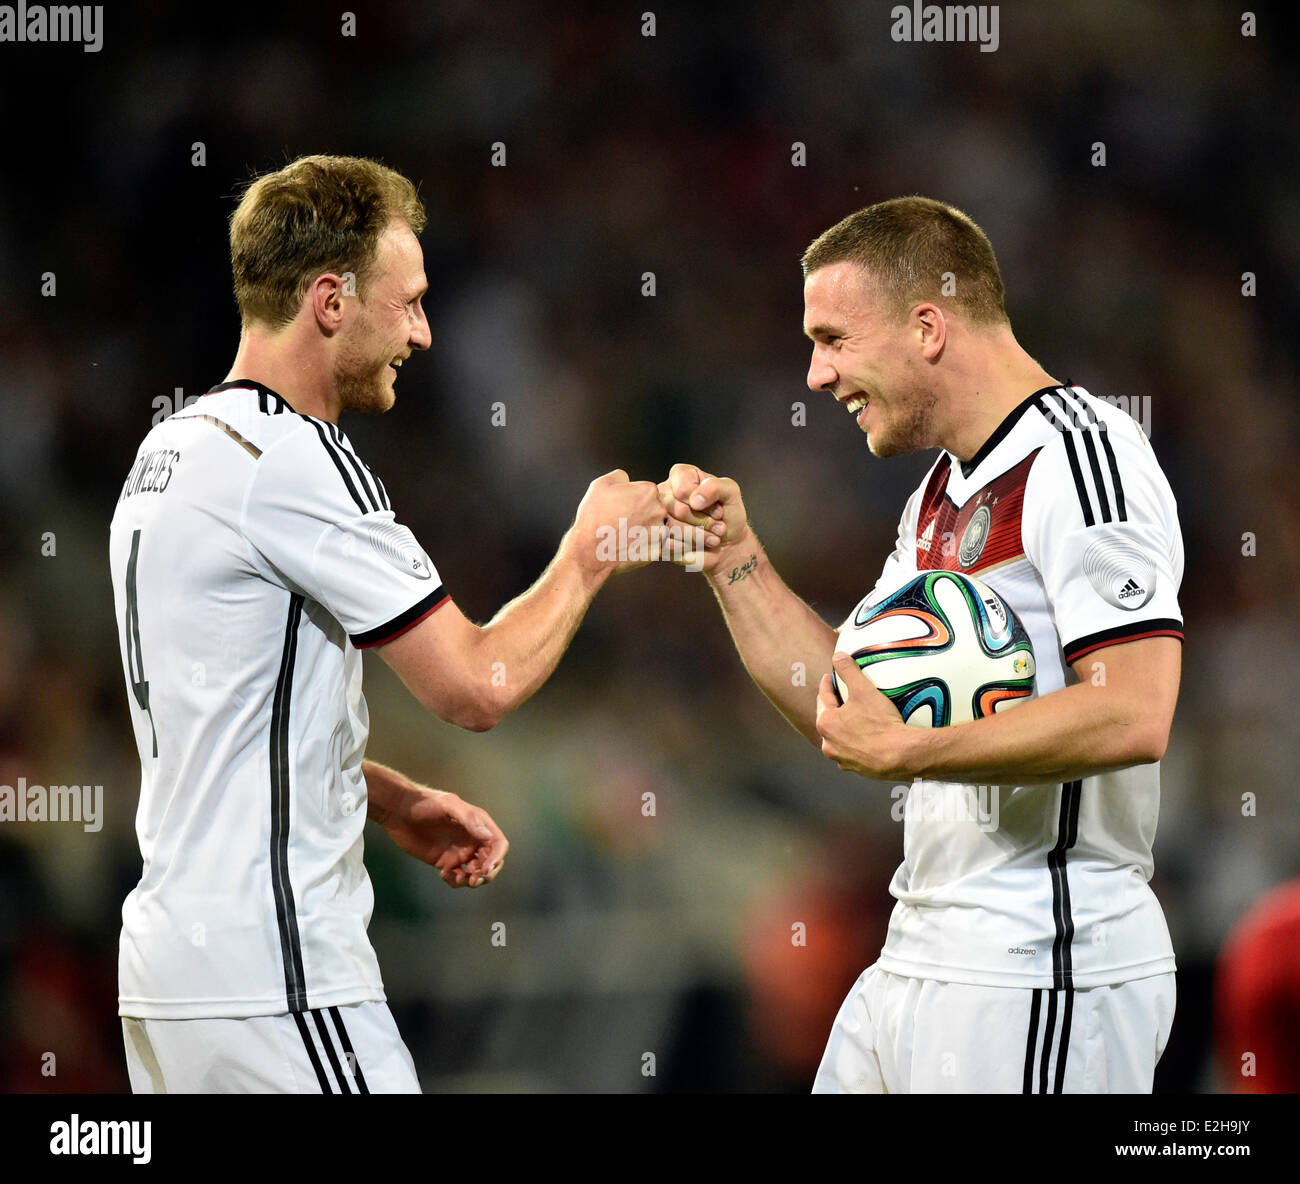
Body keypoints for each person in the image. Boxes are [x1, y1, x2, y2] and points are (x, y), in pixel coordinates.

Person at [108, 154, 684, 1093]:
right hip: (280, 970)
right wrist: (591, 552)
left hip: (172, 976)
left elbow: (208, 721)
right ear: (330, 300)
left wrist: (378, 795)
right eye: (408, 301)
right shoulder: (294, 457)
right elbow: (475, 686)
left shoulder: (165, 453)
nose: (422, 332)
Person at [660, 196, 1184, 1093]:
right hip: (918, 952)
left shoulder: (1086, 456)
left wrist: (915, 750)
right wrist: (733, 561)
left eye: (832, 338)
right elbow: (846, 708)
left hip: (1040, 961)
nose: (817, 375)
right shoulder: (938, 497)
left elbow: (1134, 711)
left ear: (928, 326)